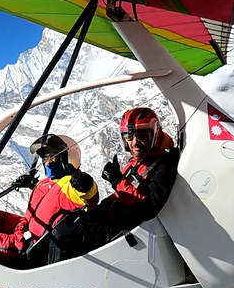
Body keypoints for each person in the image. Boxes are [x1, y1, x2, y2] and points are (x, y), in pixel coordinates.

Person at [48, 107, 178, 263]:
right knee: (65, 222)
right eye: (129, 137)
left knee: (60, 234)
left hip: (127, 230)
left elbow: (148, 209)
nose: (135, 142)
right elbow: (125, 194)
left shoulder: (163, 166)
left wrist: (118, 181)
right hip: (112, 219)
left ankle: (59, 282)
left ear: (155, 134)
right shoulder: (138, 162)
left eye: (142, 135)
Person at [0, 134, 98, 266]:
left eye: (53, 157)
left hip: (27, 241)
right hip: (24, 224)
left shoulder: (70, 185)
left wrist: (86, 186)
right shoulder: (49, 181)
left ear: (67, 158)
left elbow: (87, 197)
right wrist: (32, 183)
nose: (48, 162)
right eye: (45, 157)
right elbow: (50, 195)